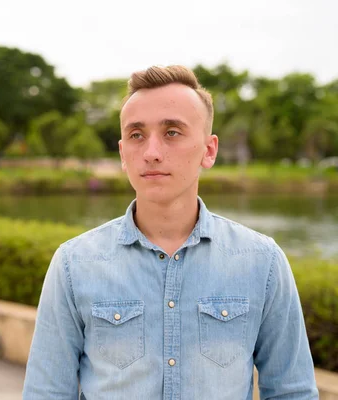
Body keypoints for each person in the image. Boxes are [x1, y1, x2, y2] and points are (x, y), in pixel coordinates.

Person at [22, 65, 318, 399]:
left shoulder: (262, 262)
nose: (151, 152)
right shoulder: (73, 265)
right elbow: (46, 393)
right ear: (122, 153)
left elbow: (292, 391)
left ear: (209, 150)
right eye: (136, 135)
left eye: (172, 132)